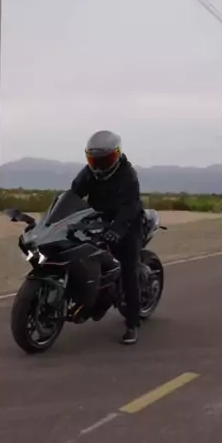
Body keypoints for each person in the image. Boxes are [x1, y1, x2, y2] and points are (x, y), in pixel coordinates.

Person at [71, 130, 143, 345]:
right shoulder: (88, 173)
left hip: (127, 224)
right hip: (97, 220)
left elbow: (129, 207)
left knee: (128, 269)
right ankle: (88, 300)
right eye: (95, 160)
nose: (99, 166)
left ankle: (132, 324)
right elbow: (72, 195)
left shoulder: (127, 174)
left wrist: (117, 231)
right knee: (79, 254)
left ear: (117, 155)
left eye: (105, 160)